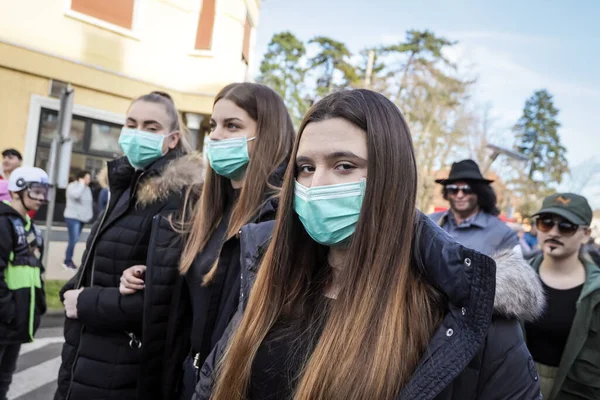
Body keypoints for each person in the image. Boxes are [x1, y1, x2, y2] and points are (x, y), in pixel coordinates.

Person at [193, 90, 545, 400]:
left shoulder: (465, 315)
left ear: (390, 175)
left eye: (344, 165)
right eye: (305, 167)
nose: (317, 183)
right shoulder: (269, 273)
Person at [118, 82, 295, 399]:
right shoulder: (206, 208)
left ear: (268, 135)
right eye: (214, 125)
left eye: (232, 126)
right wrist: (148, 275)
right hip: (186, 377)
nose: (215, 135)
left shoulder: (281, 221)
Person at [54, 91, 205, 400]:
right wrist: (71, 290)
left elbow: (164, 302)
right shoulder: (124, 186)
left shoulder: (178, 198)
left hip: (121, 368)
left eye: (151, 128)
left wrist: (84, 302)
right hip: (85, 354)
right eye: (131, 123)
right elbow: (95, 263)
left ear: (172, 139)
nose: (138, 133)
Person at [524, 193, 600, 400]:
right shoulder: (515, 280)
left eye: (566, 226)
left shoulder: (596, 292)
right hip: (517, 387)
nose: (554, 232)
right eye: (545, 224)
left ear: (585, 234)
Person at [0, 167, 49, 398]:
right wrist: (7, 310)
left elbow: (35, 274)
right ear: (17, 191)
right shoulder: (3, 223)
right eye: (36, 190)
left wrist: (38, 308)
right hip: (5, 318)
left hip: (16, 322)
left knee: (4, 377)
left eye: (44, 191)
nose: (42, 197)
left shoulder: (33, 230)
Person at [429, 159, 519, 256]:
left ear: (479, 193)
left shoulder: (503, 234)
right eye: (453, 190)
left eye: (467, 190)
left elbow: (515, 270)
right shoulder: (429, 223)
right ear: (447, 193)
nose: (459, 195)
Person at [62, 170, 94, 270]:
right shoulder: (73, 186)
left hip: (81, 218)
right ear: (81, 178)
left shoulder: (87, 188)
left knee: (75, 239)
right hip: (72, 217)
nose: (89, 180)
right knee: (73, 239)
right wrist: (81, 185)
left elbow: (88, 203)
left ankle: (69, 260)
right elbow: (75, 195)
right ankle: (67, 261)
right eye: (87, 178)